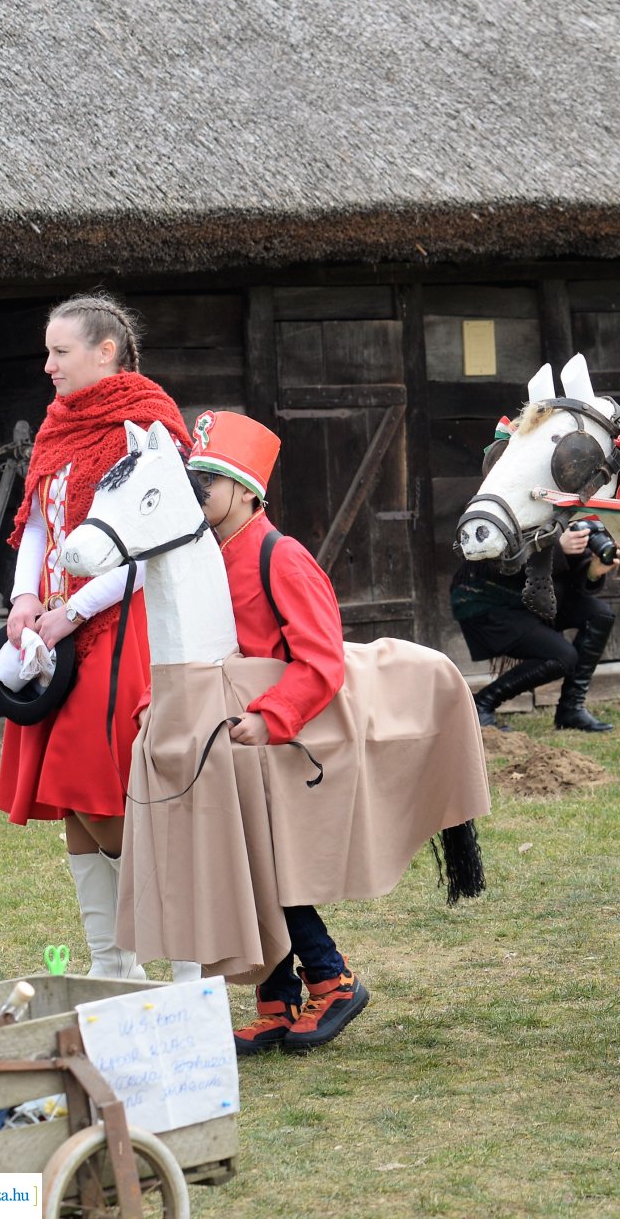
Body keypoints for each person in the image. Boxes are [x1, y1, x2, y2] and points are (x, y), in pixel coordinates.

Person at [0, 294, 190, 980]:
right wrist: (25, 597)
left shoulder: (147, 426)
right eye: (47, 351)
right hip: (53, 627)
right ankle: (112, 968)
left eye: (60, 351)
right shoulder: (57, 425)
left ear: (105, 351)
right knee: (72, 802)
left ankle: (182, 943)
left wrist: (73, 612)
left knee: (97, 790)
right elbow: (42, 522)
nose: (48, 365)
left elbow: (147, 549)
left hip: (115, 626)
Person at [180, 413, 369, 1055]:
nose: (196, 487)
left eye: (208, 477)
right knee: (240, 870)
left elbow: (322, 658)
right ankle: (275, 1001)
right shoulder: (197, 562)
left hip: (271, 744)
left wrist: (270, 716)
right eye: (191, 475)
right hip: (219, 744)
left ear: (243, 490)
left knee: (269, 871)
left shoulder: (279, 556)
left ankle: (332, 980)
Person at [452, 429, 620, 733]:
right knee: (562, 656)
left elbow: (574, 584)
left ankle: (571, 709)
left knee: (599, 614)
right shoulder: (512, 493)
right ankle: (481, 705)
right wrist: (559, 547)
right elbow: (494, 560)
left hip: (534, 597)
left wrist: (594, 570)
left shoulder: (575, 500)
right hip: (488, 600)